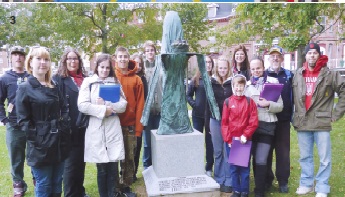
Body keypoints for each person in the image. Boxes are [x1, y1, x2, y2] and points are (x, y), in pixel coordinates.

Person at [15, 46, 71, 197]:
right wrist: (38, 138)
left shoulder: (55, 85)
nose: (43, 63)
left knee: (57, 182)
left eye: (46, 59)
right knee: (44, 183)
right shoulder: (25, 88)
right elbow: (23, 120)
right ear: (30, 62)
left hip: (59, 142)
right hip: (40, 146)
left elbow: (64, 109)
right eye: (39, 59)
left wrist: (64, 128)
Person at [293, 43, 345, 197]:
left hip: (321, 121)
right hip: (302, 121)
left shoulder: (329, 74)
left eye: (315, 53)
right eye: (310, 53)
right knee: (305, 156)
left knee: (324, 158)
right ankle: (307, 184)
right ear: (305, 56)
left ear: (319, 55)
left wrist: (336, 113)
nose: (312, 56)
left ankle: (322, 187)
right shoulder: (297, 74)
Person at [78, 53, 127, 197]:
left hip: (112, 128)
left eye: (107, 67)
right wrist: (102, 110)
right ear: (97, 67)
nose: (104, 70)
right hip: (96, 128)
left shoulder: (115, 82)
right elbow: (82, 105)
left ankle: (112, 194)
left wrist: (107, 105)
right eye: (102, 67)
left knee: (112, 167)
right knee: (102, 169)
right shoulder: (88, 82)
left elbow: (123, 105)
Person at [53, 48, 88, 197]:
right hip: (69, 129)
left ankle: (79, 191)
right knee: (71, 165)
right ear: (65, 61)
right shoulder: (59, 79)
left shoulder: (86, 79)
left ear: (79, 62)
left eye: (75, 59)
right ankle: (70, 194)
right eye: (69, 59)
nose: (72, 62)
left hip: (84, 127)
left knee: (81, 163)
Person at [245, 58, 283, 197]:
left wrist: (268, 104)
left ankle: (259, 192)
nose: (256, 71)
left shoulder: (272, 82)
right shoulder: (246, 85)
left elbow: (280, 106)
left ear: (263, 67)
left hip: (267, 125)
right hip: (250, 127)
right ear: (250, 69)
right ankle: (257, 185)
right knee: (252, 159)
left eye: (258, 68)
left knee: (261, 158)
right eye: (253, 69)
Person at [0, 46, 31, 197]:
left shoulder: (31, 76)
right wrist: (4, 119)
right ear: (11, 58)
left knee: (35, 154)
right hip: (14, 125)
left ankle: (38, 179)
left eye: (21, 55)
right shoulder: (5, 78)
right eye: (15, 55)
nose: (18, 57)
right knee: (16, 157)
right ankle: (18, 183)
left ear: (25, 58)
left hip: (32, 124)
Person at [114, 46, 144, 197]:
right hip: (113, 125)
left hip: (130, 125)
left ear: (128, 58)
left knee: (129, 158)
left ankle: (125, 187)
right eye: (120, 57)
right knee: (114, 158)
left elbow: (140, 105)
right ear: (116, 58)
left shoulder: (137, 79)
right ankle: (115, 187)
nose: (123, 59)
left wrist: (138, 128)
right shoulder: (111, 77)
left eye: (125, 57)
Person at [221, 74, 258, 197]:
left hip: (244, 141)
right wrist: (228, 139)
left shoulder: (249, 102)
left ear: (244, 87)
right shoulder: (227, 102)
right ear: (233, 86)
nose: (239, 88)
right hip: (232, 141)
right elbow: (224, 123)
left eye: (241, 86)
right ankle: (236, 191)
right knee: (233, 168)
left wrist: (246, 135)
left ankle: (244, 191)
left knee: (244, 168)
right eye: (236, 86)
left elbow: (253, 121)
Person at [265, 46, 294, 193]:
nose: (275, 58)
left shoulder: (289, 75)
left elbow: (294, 97)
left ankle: (283, 181)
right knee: (267, 151)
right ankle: (267, 180)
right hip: (268, 120)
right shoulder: (263, 75)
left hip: (283, 120)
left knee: (283, 153)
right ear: (269, 58)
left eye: (278, 56)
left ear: (282, 58)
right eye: (272, 56)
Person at [205, 56, 233, 193]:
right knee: (217, 152)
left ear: (228, 69)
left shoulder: (232, 83)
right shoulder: (211, 83)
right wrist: (207, 125)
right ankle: (219, 178)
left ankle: (229, 180)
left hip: (229, 122)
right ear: (217, 68)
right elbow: (207, 105)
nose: (223, 70)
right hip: (214, 121)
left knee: (227, 151)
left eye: (225, 68)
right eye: (220, 67)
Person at [186, 55, 214, 176]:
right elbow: (187, 95)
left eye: (209, 62)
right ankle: (196, 166)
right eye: (205, 62)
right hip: (198, 116)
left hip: (211, 117)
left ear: (212, 65)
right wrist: (195, 104)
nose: (207, 64)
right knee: (197, 142)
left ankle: (209, 168)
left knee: (210, 142)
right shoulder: (196, 79)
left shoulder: (214, 79)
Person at [142, 40, 162, 170]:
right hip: (147, 110)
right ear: (144, 53)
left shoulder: (160, 66)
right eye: (148, 50)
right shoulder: (141, 68)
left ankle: (158, 165)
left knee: (159, 139)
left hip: (159, 108)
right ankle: (147, 165)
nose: (150, 53)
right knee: (148, 141)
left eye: (152, 50)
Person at [131, 52, 148, 182]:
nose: (138, 66)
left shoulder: (143, 79)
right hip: (128, 116)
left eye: (140, 64)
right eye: (136, 63)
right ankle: (125, 172)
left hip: (139, 117)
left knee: (137, 145)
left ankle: (134, 172)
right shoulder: (128, 77)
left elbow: (145, 98)